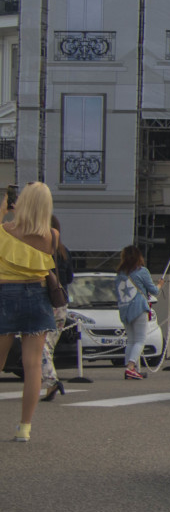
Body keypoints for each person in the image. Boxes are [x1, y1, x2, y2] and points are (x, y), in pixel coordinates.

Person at [0, 182, 59, 442]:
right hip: (37, 296)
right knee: (33, 365)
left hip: (5, 295)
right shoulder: (52, 236)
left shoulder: (4, 230)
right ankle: (25, 427)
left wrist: (4, 210)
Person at [115, 244, 163, 380]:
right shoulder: (142, 271)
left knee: (130, 340)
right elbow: (154, 291)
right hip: (139, 308)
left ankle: (129, 368)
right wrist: (159, 284)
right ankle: (130, 367)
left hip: (124, 309)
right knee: (140, 340)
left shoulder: (120, 274)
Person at [39, 215, 73, 401]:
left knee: (40, 345)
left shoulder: (42, 250)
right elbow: (69, 278)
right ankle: (47, 383)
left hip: (45, 302)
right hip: (61, 301)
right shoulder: (64, 251)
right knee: (49, 345)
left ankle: (51, 381)